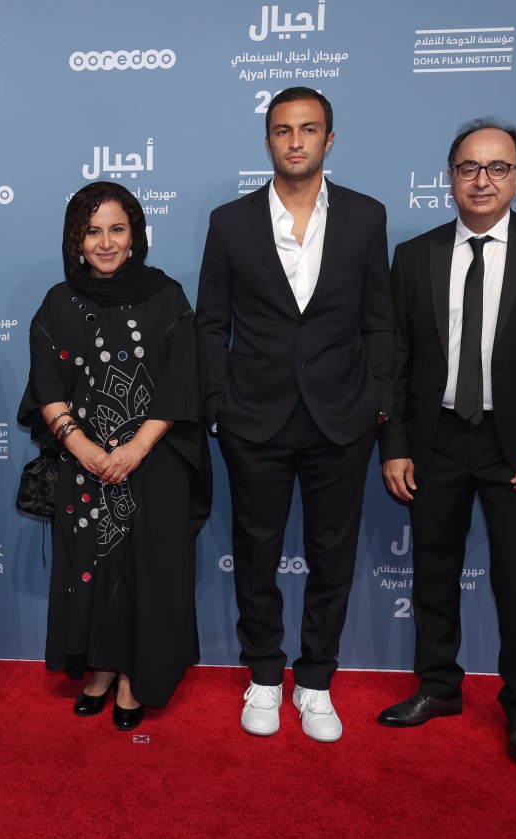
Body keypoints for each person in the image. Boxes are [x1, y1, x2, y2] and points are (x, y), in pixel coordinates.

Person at [377, 118, 516, 765]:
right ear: (449, 177)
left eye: (498, 167)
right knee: (432, 570)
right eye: (469, 166)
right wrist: (395, 444)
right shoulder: (414, 257)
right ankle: (438, 686)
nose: (482, 179)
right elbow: (396, 359)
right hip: (435, 440)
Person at [195, 87, 393, 742]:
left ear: (329, 139)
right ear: (268, 140)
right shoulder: (230, 222)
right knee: (256, 552)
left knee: (331, 555)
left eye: (309, 129)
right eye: (283, 130)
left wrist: (377, 400)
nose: (296, 141)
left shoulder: (366, 217)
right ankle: (261, 674)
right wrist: (218, 403)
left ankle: (313, 682)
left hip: (342, 417)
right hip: (254, 417)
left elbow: (378, 321)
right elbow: (210, 323)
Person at [18, 181, 211, 731]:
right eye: (92, 230)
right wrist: (81, 446)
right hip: (83, 467)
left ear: (135, 235)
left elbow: (182, 381)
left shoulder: (166, 296)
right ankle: (99, 669)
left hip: (155, 463)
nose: (105, 243)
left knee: (147, 570)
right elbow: (46, 384)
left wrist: (134, 449)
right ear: (76, 239)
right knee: (88, 568)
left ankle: (134, 676)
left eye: (117, 229)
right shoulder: (58, 302)